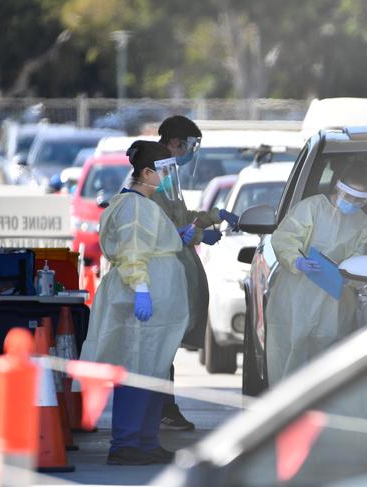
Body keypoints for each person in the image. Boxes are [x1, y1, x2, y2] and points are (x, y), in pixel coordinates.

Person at [78, 140, 191, 465]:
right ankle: (126, 443)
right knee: (137, 371)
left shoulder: (144, 205)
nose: (170, 177)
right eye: (165, 171)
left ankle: (145, 441)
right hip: (142, 300)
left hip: (156, 303)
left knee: (152, 371)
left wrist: (175, 237)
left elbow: (147, 242)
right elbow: (130, 251)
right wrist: (141, 286)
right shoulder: (134, 207)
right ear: (146, 172)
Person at [153, 115, 240, 430]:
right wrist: (198, 234)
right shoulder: (152, 175)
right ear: (176, 143)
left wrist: (212, 217)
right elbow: (160, 228)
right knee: (158, 349)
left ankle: (165, 407)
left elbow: (180, 216)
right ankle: (161, 409)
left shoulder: (168, 173)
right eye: (191, 146)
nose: (192, 152)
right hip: (158, 275)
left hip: (172, 274)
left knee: (165, 348)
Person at [265, 165, 367, 385]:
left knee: (326, 356)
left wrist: (350, 275)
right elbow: (285, 237)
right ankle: (283, 407)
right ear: (338, 188)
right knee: (289, 347)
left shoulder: (364, 224)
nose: (353, 204)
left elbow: (361, 257)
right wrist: (296, 260)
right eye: (349, 196)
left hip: (334, 300)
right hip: (295, 294)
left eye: (359, 200)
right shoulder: (311, 208)